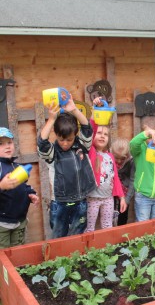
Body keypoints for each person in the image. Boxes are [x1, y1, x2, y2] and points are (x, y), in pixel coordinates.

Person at [37, 95, 96, 238]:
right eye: (61, 139)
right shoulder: (52, 152)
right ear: (56, 135)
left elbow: (87, 129)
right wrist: (51, 119)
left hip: (80, 200)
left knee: (78, 234)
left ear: (75, 135)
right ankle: (57, 260)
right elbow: (42, 143)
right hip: (60, 202)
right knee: (58, 235)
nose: (65, 143)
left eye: (69, 139)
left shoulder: (82, 146)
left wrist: (74, 110)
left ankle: (75, 259)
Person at [85, 103, 126, 231]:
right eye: (99, 133)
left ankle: (107, 249)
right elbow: (89, 132)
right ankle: (89, 250)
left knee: (108, 226)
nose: (102, 136)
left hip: (108, 198)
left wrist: (122, 197)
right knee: (89, 227)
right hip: (92, 198)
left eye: (106, 134)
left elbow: (116, 179)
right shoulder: (91, 152)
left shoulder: (110, 156)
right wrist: (94, 113)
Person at [0, 127, 39, 248]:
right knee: (3, 255)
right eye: (1, 144)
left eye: (9, 142)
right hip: (2, 223)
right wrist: (1, 186)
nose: (7, 146)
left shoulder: (17, 166)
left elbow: (23, 186)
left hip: (19, 220)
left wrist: (31, 194)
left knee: (18, 252)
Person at [110, 138, 135, 226]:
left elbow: (132, 180)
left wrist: (127, 200)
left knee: (123, 215)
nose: (119, 161)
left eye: (122, 159)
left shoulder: (131, 161)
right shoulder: (108, 158)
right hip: (111, 192)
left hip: (125, 192)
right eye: (117, 158)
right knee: (110, 215)